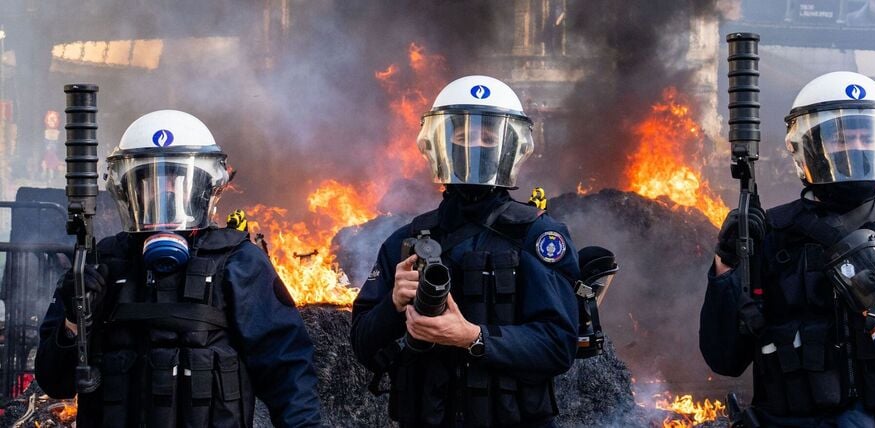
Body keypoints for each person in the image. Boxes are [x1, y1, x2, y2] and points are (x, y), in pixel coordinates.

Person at [701, 71, 875, 427]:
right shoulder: (771, 238)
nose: (857, 146)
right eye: (841, 136)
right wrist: (727, 266)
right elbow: (724, 357)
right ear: (810, 146)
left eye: (866, 134)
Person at [35, 110, 324, 427]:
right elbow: (55, 381)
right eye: (151, 180)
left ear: (205, 186)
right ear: (129, 190)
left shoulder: (239, 262)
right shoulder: (98, 264)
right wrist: (74, 320)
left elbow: (287, 371)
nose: (166, 190)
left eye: (177, 178)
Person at [351, 75, 580, 427]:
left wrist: (473, 337)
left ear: (510, 147)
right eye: (462, 135)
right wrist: (393, 304)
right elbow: (364, 345)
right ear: (440, 144)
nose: (475, 145)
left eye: (488, 136)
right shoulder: (406, 241)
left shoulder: (537, 236)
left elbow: (557, 345)